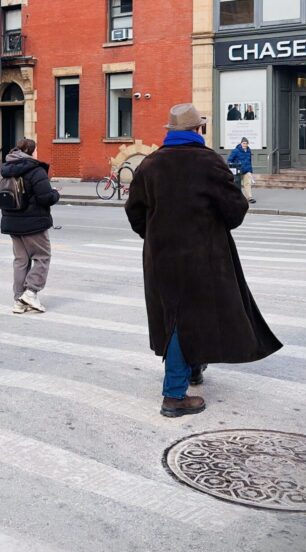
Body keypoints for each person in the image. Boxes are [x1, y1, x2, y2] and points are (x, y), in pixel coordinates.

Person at [125, 103, 282, 418]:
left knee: (174, 314)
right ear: (198, 130)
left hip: (161, 256)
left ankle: (193, 370)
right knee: (186, 318)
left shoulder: (150, 164)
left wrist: (156, 236)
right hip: (203, 256)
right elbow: (235, 211)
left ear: (170, 132)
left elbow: (134, 211)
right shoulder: (209, 162)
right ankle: (173, 395)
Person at [0, 138, 59, 314]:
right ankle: (31, 292)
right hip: (34, 222)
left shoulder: (7, 169)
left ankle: (19, 300)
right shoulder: (35, 170)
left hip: (12, 221)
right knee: (42, 257)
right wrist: (55, 194)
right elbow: (45, 198)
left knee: (21, 260)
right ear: (32, 151)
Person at [227, 137, 255, 204]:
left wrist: (250, 170)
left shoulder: (248, 150)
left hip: (246, 170)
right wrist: (234, 166)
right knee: (236, 185)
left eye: (246, 143)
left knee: (248, 183)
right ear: (241, 143)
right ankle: (234, 197)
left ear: (248, 144)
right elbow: (229, 160)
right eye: (243, 143)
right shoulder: (236, 151)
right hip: (238, 170)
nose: (244, 144)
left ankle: (249, 197)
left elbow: (249, 161)